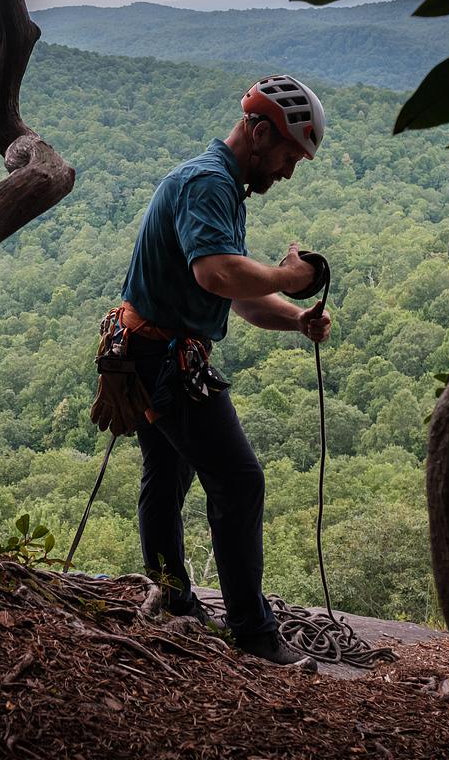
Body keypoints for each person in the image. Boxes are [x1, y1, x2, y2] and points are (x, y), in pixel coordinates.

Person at [100, 75, 331, 667]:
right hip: (164, 358)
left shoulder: (217, 183)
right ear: (258, 134)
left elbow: (241, 297)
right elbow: (219, 276)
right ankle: (253, 635)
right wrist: (287, 276)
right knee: (239, 481)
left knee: (168, 471)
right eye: (287, 155)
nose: (288, 171)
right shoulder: (209, 184)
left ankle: (175, 601)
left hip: (145, 351)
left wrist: (298, 318)